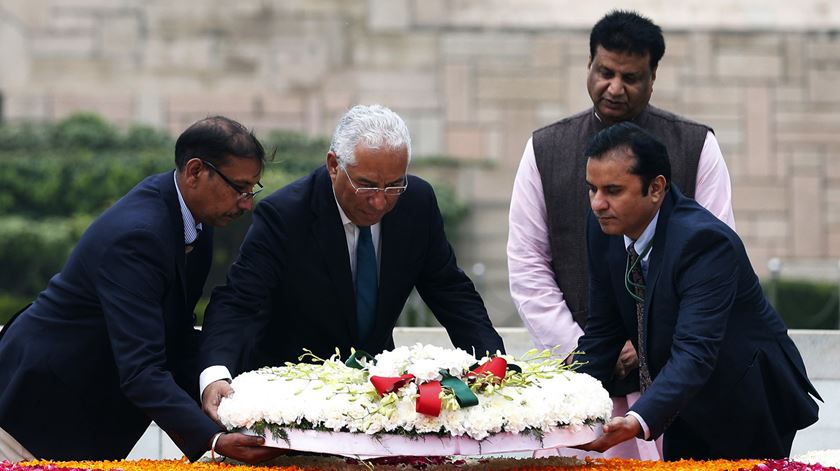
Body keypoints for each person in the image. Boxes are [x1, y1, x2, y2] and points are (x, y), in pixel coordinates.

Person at [507, 10, 735, 458]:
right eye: (604, 72)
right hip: (585, 378)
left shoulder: (696, 145)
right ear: (588, 67)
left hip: (681, 388)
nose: (614, 87)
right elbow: (527, 265)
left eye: (630, 76)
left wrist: (648, 348)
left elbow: (714, 269)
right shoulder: (545, 148)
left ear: (653, 79)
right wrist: (584, 351)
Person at [199, 104, 505, 429]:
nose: (380, 201)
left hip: (379, 398)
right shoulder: (285, 215)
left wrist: (492, 361)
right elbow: (239, 302)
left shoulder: (417, 203)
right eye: (367, 185)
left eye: (393, 186)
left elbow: (449, 289)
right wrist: (216, 372)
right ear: (334, 165)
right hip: (294, 402)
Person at [0, 117, 281, 463]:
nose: (246, 203)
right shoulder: (139, 236)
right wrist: (213, 439)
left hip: (84, 414)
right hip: (32, 417)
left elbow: (174, 335)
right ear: (194, 172)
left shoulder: (194, 220)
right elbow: (142, 368)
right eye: (239, 188)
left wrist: (235, 386)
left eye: (252, 189)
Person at [577, 122, 821, 460]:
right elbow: (602, 332)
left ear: (656, 188)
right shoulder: (602, 226)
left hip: (746, 399)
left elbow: (695, 352)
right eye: (592, 189)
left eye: (613, 190)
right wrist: (562, 408)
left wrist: (635, 421)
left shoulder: (704, 242)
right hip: (682, 401)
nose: (598, 203)